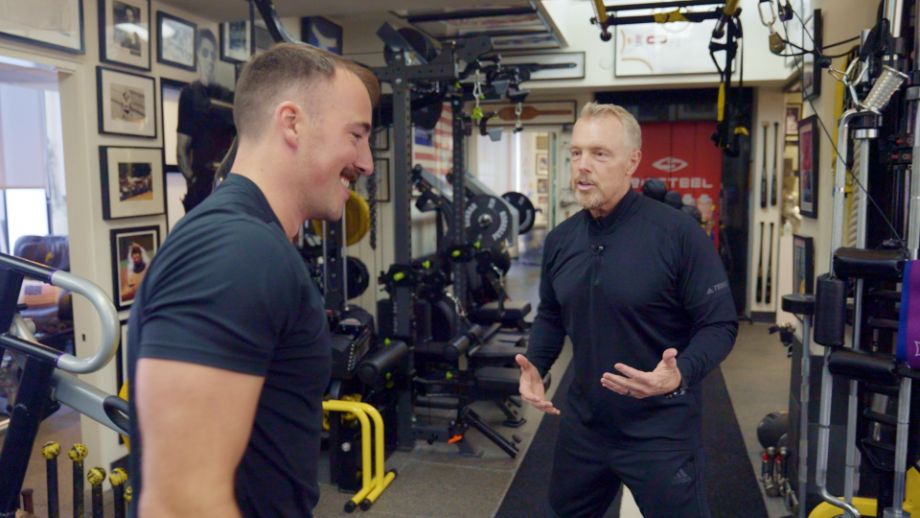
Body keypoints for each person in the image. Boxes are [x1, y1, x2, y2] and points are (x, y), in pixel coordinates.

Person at [127, 43, 379, 517]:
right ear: (292, 123)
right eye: (356, 135)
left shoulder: (253, 240)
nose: (365, 161)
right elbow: (181, 503)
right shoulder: (238, 251)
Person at [515, 102, 738, 518]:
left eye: (600, 154)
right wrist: (537, 365)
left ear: (632, 162)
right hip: (585, 425)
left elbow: (720, 324)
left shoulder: (677, 234)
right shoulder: (562, 240)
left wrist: (681, 373)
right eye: (577, 152)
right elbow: (550, 313)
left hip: (659, 428)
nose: (583, 165)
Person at [176, 28, 236, 213]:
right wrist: (193, 181)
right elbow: (181, 151)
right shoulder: (189, 95)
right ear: (197, 57)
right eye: (205, 53)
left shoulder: (227, 96)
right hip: (201, 187)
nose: (209, 59)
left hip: (227, 185)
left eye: (212, 54)